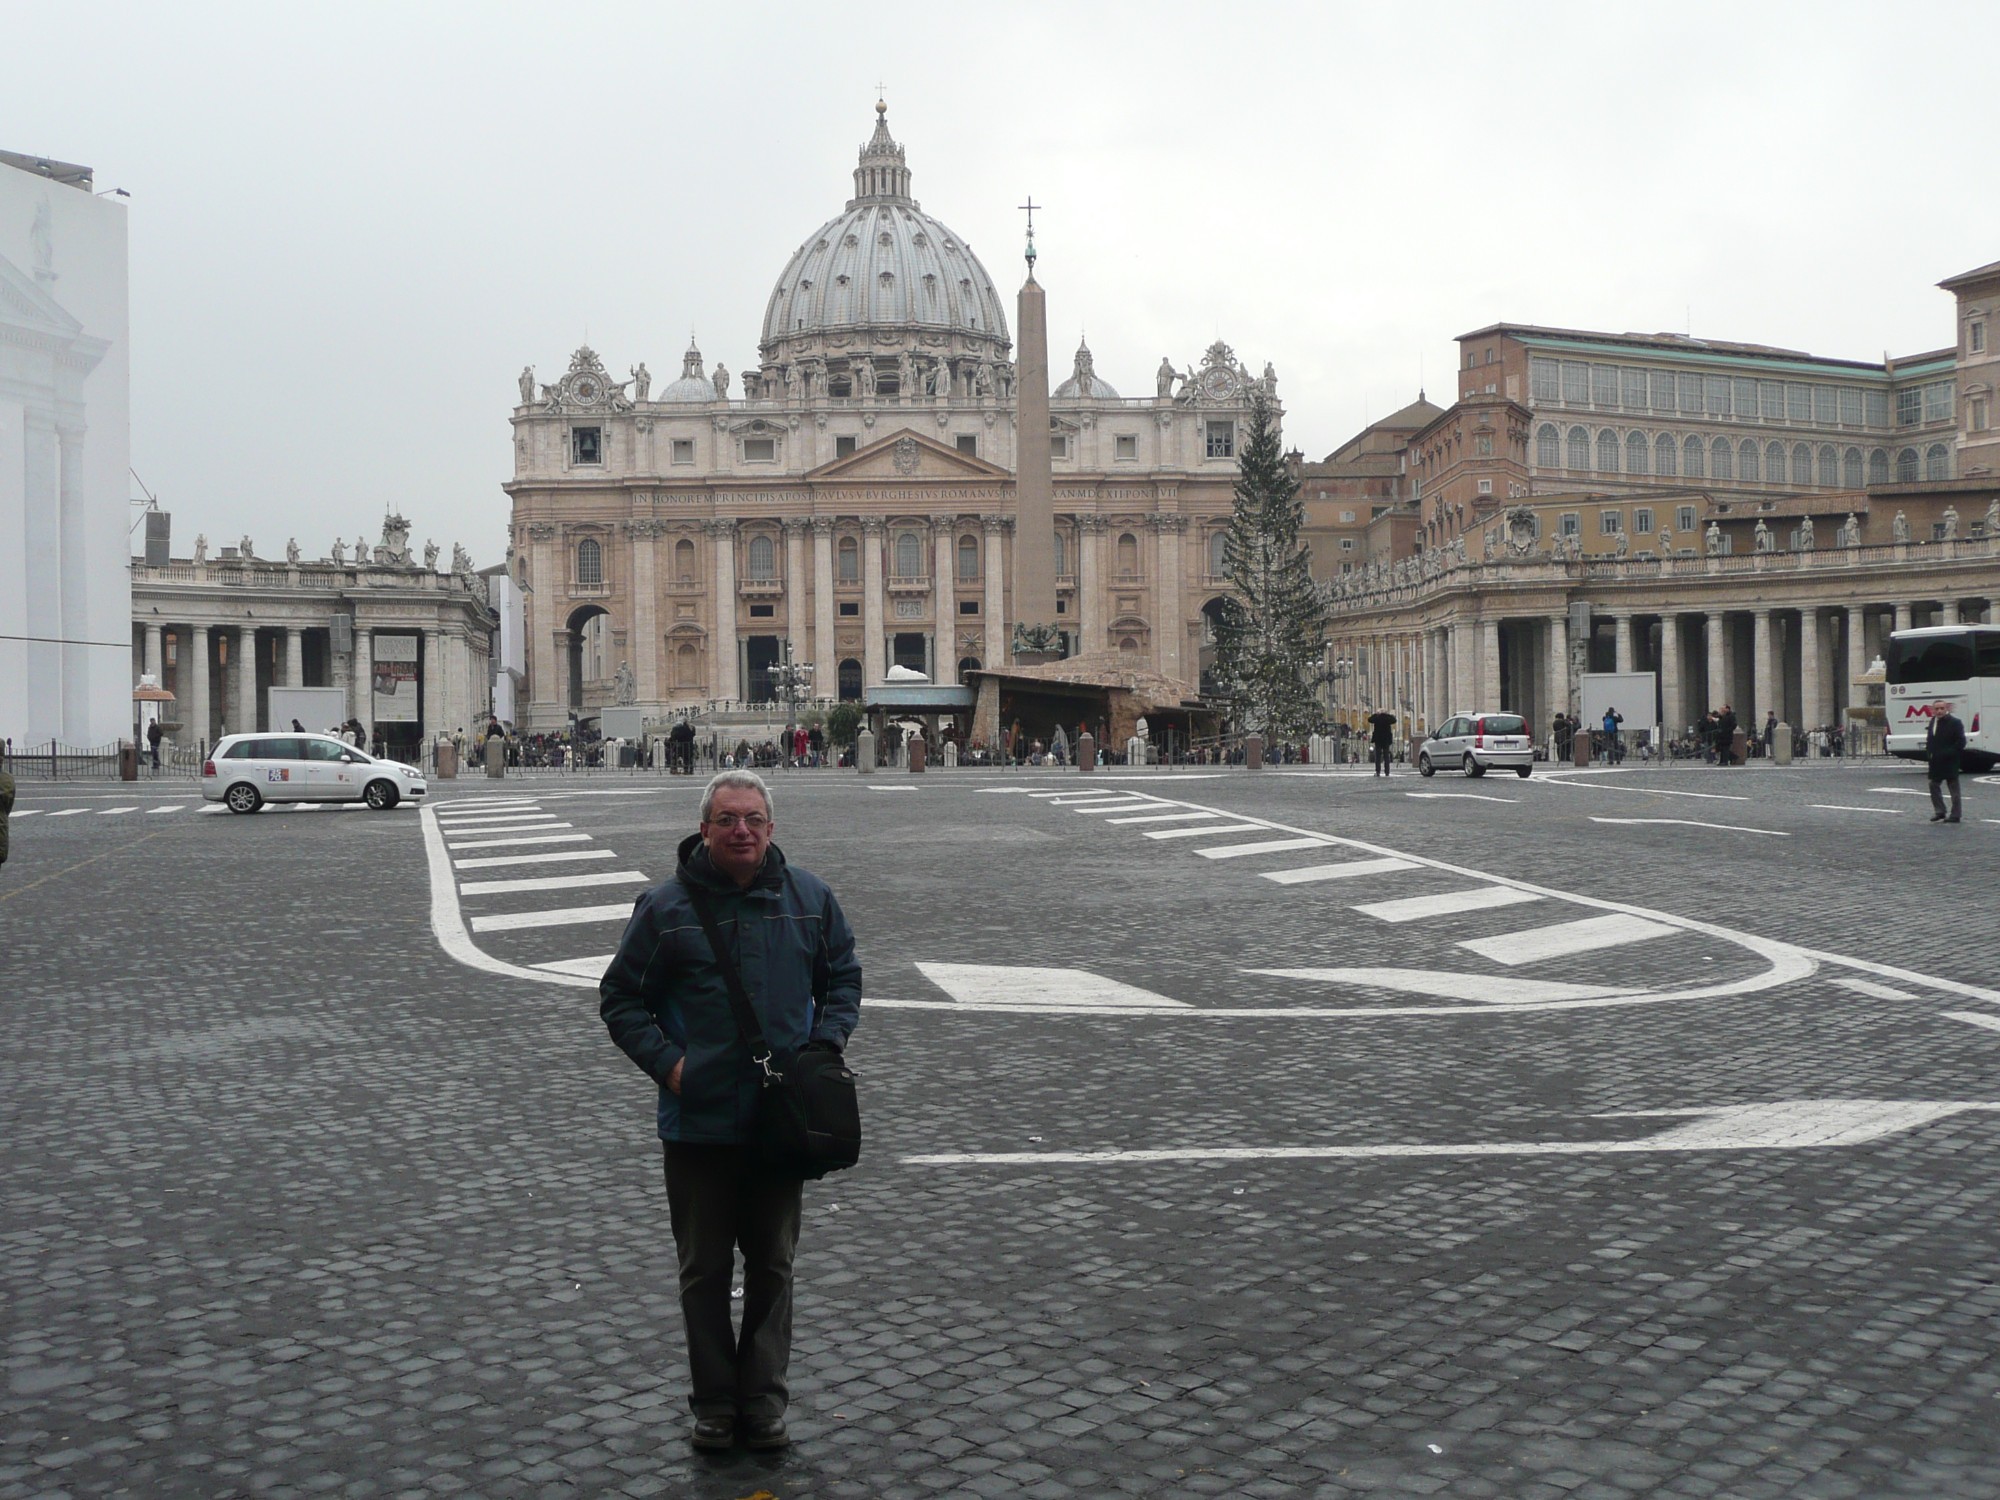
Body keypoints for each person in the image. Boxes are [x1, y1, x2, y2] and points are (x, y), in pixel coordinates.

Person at [598, 770, 862, 1453]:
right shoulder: (665, 907)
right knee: (705, 1271)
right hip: (700, 1120)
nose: (740, 829)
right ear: (705, 829)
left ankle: (764, 1402)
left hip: (783, 1120)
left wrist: (821, 1052)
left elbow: (843, 980)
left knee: (774, 1265)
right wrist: (671, 1066)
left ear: (771, 829)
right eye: (726, 819)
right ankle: (715, 1403)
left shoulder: (812, 899)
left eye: (751, 818)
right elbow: (622, 998)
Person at [1926, 699, 1966, 824]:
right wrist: (1929, 754)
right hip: (1936, 761)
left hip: (1950, 761)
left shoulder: (1955, 722)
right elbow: (1931, 739)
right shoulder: (1933, 721)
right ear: (1933, 710)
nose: (1939, 711)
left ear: (1946, 709)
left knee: (1953, 788)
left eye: (1941, 708)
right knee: (1933, 785)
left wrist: (1949, 753)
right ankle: (1940, 811)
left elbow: (1961, 742)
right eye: (1936, 709)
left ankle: (1955, 815)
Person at [1367, 708, 1397, 777]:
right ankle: (1387, 772)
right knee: (1386, 756)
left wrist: (1376, 714)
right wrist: (1387, 714)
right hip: (1386, 739)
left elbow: (1370, 719)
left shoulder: (1377, 717)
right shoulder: (1387, 718)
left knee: (1378, 756)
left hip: (1378, 739)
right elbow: (1394, 720)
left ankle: (1378, 771)